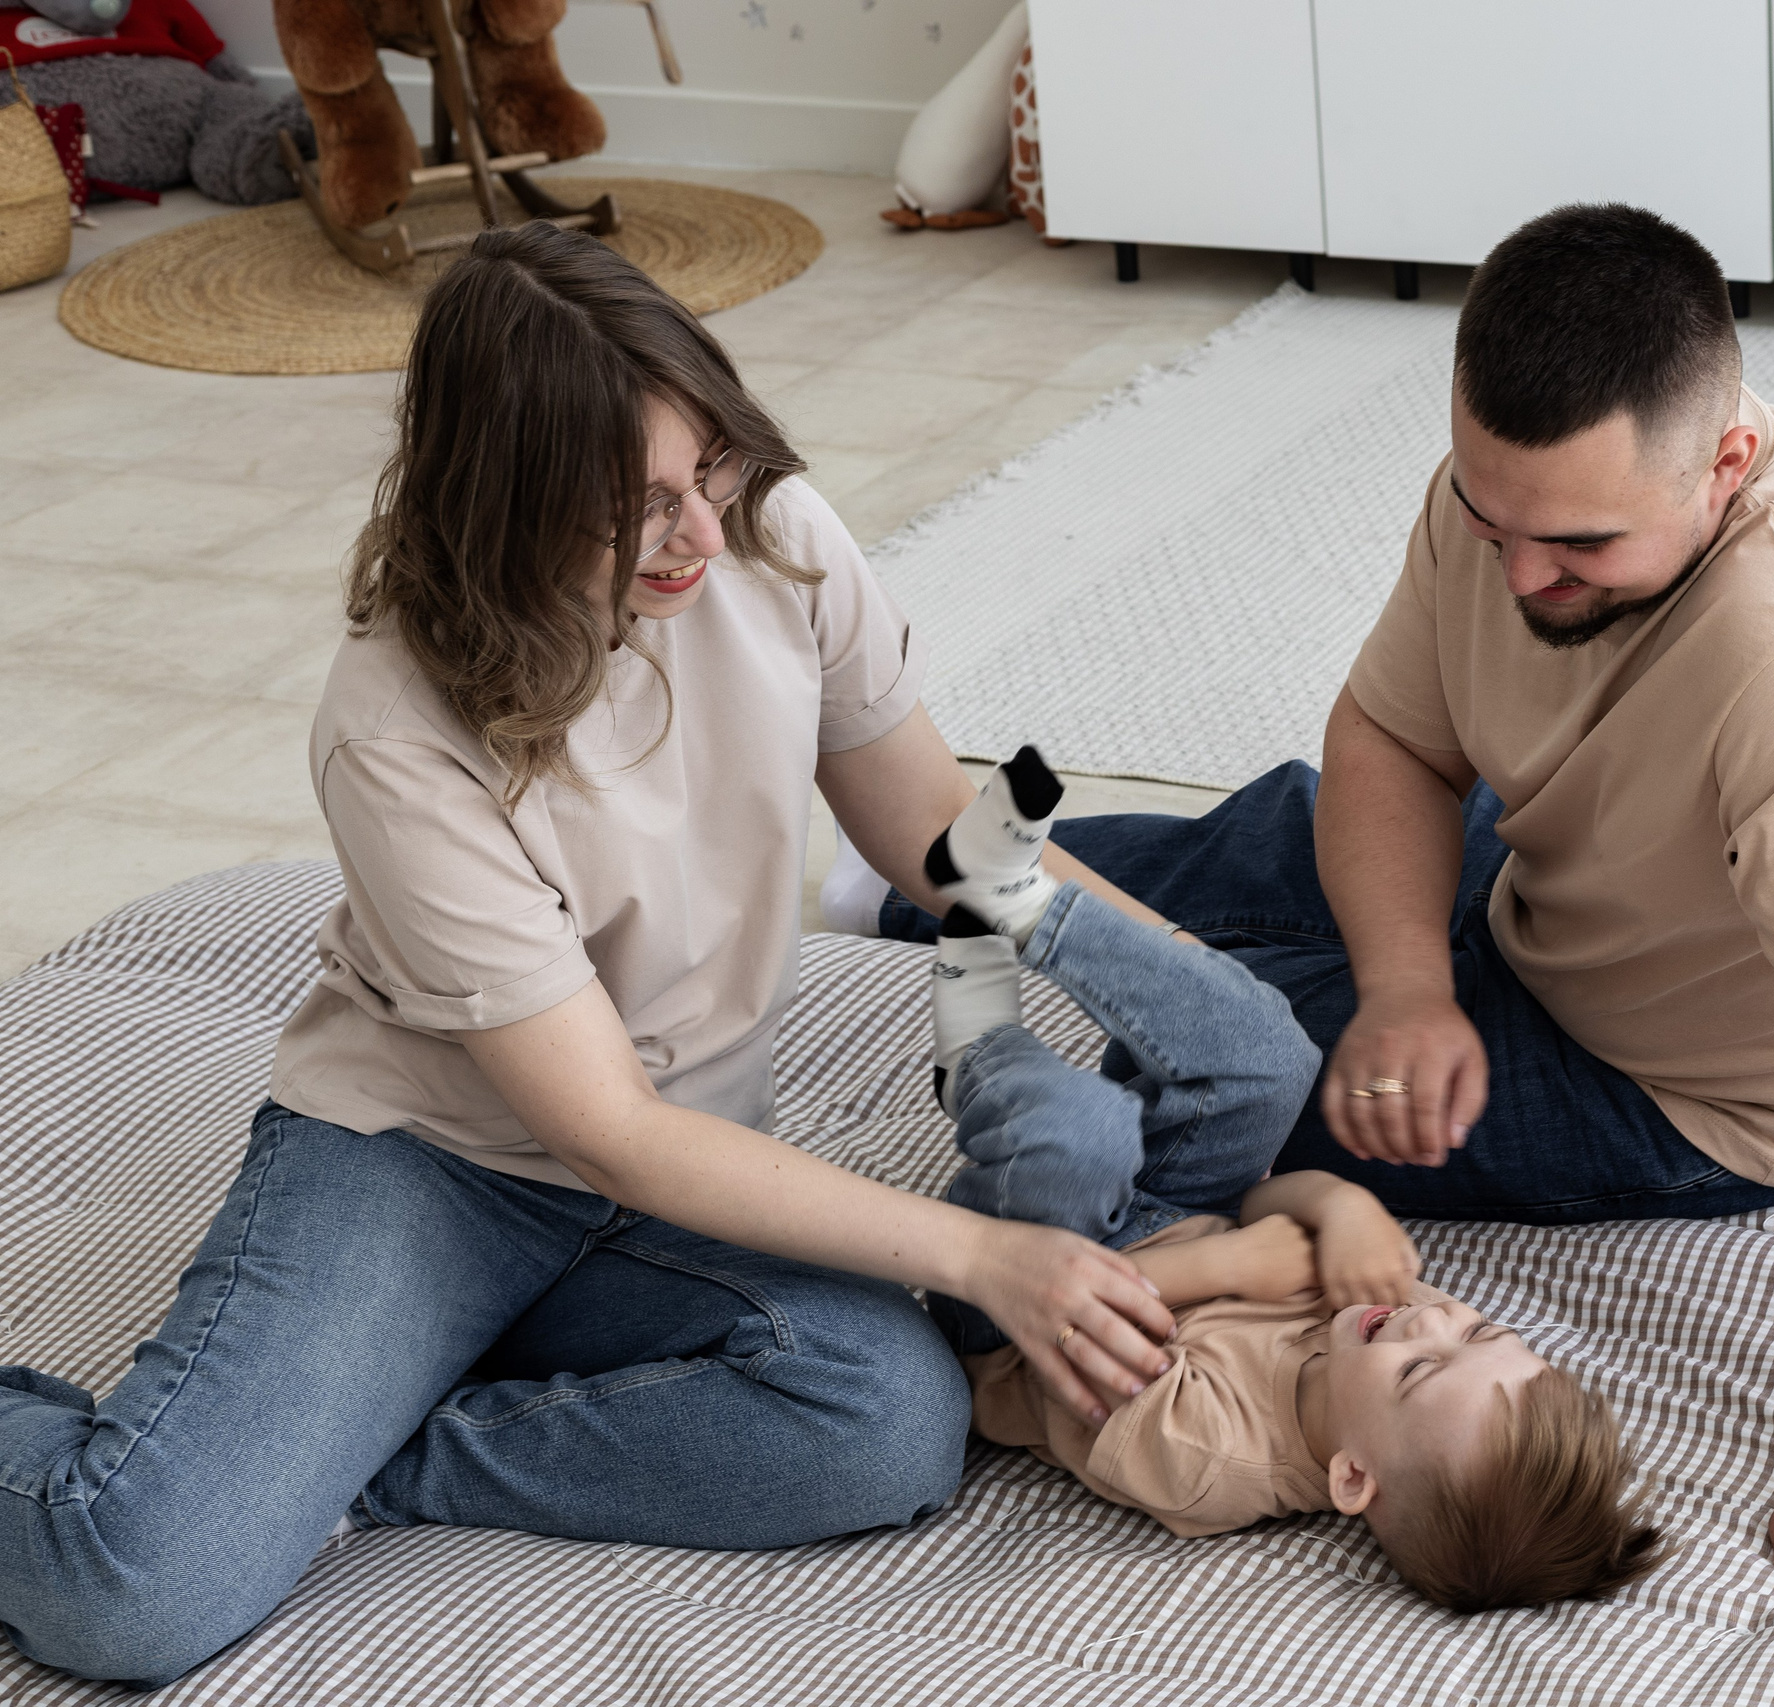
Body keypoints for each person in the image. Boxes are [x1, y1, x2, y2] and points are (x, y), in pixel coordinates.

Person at [0, 223, 1185, 1688]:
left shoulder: (772, 537)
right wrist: (989, 1252)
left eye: (716, 471)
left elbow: (940, 827)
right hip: (436, 1163)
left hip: (679, 1160)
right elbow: (606, 1127)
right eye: (641, 507)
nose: (702, 531)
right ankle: (256, 1455)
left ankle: (376, 1451)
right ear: (502, 507)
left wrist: (1198, 988)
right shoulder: (391, 725)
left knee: (884, 1421)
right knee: (132, 1582)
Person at [849, 203, 1774, 1626]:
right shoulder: (1523, 492)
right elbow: (1391, 741)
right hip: (1550, 873)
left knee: (1250, 1060)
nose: (1521, 579)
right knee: (1294, 824)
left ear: (1730, 461)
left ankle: (956, 909)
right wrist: (1405, 977)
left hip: (1669, 1079)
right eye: (1488, 517)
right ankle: (886, 874)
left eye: (1578, 546)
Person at [912, 762, 1659, 1610]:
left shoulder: (1205, 1457)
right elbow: (1266, 1203)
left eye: (1418, 1371)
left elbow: (1065, 1316)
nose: (1430, 1319)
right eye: (1479, 1327)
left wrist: (1237, 1266)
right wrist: (1337, 1207)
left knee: (1083, 1132)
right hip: (1180, 1215)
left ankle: (972, 1043)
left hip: (1010, 1302)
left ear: (1351, 1476)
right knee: (1274, 1055)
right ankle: (1024, 900)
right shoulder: (1388, 1323)